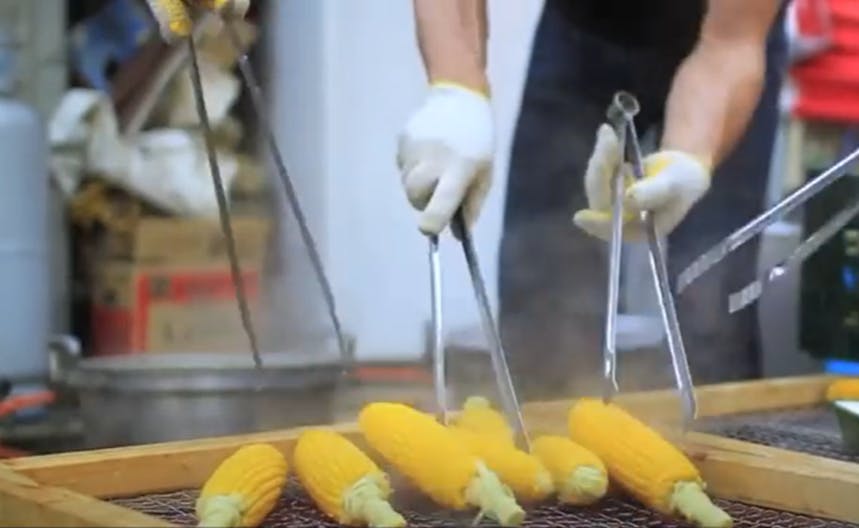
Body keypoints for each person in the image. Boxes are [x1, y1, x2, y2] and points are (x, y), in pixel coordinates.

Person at [398, 0, 788, 400]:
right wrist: (457, 90)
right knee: (545, 292)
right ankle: (546, 424)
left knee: (711, 303)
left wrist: (689, 158)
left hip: (724, 43)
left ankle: (716, 432)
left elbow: (729, 45)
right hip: (578, 40)